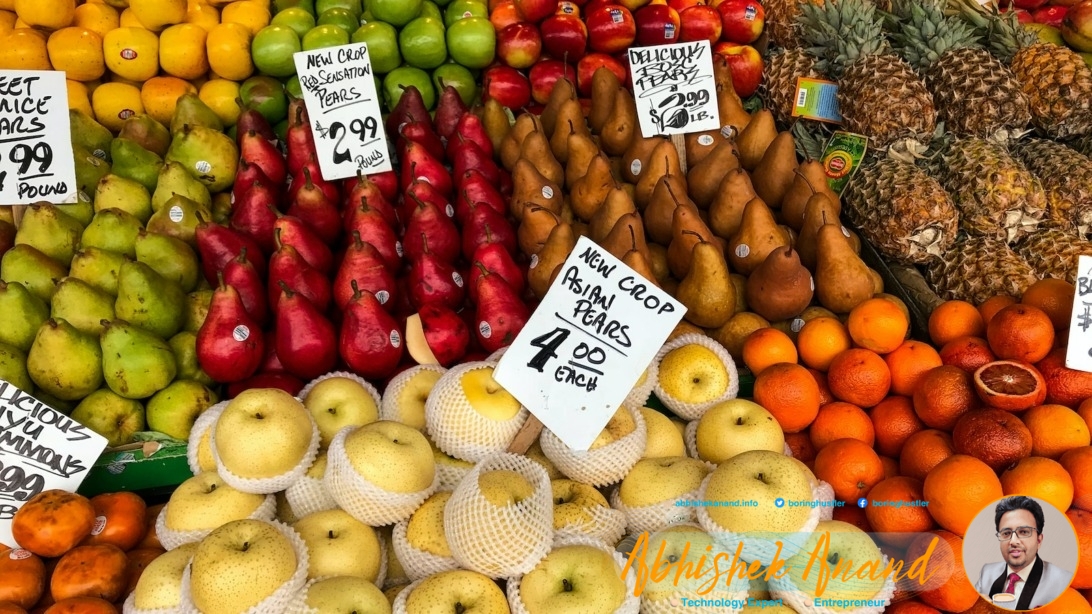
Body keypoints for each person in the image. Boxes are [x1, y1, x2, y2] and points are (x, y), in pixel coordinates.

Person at [974, 496, 1072, 610]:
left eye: (1024, 532)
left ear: (1039, 540)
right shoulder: (987, 572)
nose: (1013, 541)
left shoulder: (1062, 581)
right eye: (1006, 533)